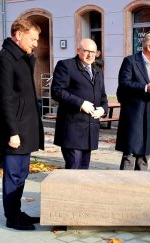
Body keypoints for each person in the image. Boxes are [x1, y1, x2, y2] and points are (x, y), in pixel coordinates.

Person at [0, 18, 44, 230]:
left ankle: (17, 212)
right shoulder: (6, 59)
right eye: (33, 39)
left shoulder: (22, 57)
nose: (36, 43)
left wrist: (29, 56)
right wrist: (12, 132)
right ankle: (11, 218)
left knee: (21, 174)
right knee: (13, 175)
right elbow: (4, 99)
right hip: (15, 130)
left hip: (26, 126)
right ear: (19, 34)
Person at [51, 38, 108, 169]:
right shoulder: (66, 66)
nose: (90, 55)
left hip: (90, 130)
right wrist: (80, 103)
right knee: (73, 171)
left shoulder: (98, 71)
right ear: (78, 50)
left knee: (83, 172)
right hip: (72, 130)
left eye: (93, 52)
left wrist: (103, 109)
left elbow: (103, 96)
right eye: (86, 51)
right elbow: (57, 91)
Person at [116, 33, 150, 170]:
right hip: (133, 115)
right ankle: (123, 186)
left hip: (149, 117)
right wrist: (145, 88)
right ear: (149, 47)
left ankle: (141, 187)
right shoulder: (130, 61)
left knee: (145, 156)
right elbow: (124, 83)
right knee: (130, 155)